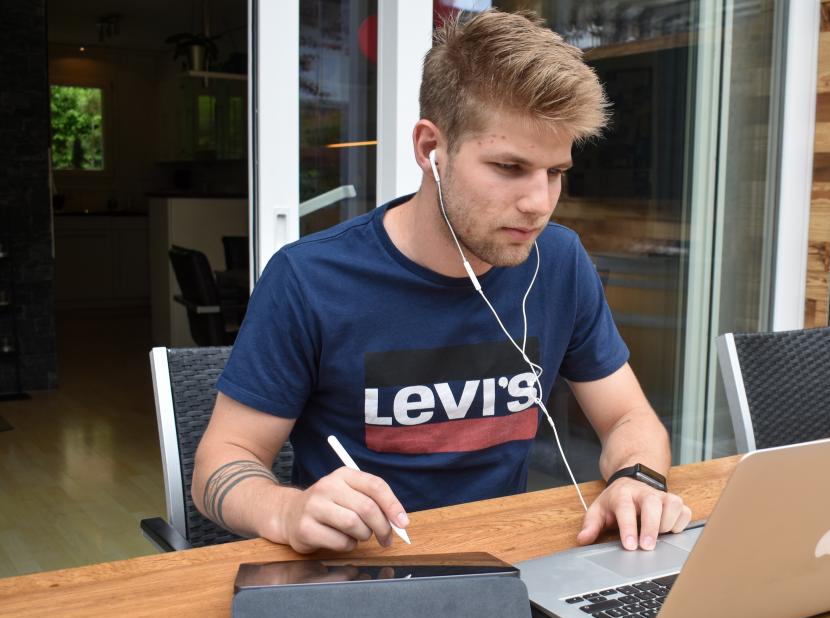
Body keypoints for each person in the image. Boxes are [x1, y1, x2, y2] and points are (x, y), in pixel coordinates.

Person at [192, 9, 692, 555]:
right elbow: (223, 461)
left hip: (506, 564)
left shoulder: (560, 260)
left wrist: (637, 479)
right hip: (359, 571)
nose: (538, 203)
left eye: (555, 173)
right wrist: (287, 509)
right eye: (508, 167)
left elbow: (628, 417)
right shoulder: (308, 278)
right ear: (432, 149)